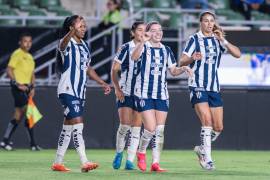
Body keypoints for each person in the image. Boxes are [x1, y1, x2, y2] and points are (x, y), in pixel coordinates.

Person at [178, 11, 241, 170]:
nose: (209, 24)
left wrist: (223, 40)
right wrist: (193, 58)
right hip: (197, 84)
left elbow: (238, 54)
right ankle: (208, 159)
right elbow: (181, 61)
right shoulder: (194, 39)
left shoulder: (217, 40)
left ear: (214, 23)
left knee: (218, 127)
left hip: (214, 86)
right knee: (207, 121)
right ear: (201, 23)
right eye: (205, 21)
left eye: (211, 21)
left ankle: (201, 149)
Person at [51, 15, 111, 172]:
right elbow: (62, 46)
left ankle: (57, 162)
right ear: (72, 28)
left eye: (85, 26)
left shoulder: (85, 45)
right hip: (67, 89)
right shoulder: (67, 42)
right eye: (81, 26)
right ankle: (85, 162)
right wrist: (71, 32)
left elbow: (88, 68)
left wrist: (101, 82)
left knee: (68, 127)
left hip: (80, 91)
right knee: (78, 124)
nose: (84, 28)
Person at [131, 21, 193, 172]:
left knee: (159, 130)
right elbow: (134, 57)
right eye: (153, 30)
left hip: (162, 94)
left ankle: (156, 163)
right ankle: (141, 152)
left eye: (160, 30)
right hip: (144, 93)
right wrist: (142, 42)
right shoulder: (143, 46)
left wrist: (183, 68)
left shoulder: (166, 50)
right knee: (150, 128)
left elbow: (172, 71)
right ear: (148, 33)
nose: (158, 33)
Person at [111, 21, 145, 170]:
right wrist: (117, 89)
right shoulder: (126, 47)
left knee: (137, 128)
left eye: (145, 30)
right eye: (139, 30)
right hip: (125, 90)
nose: (142, 32)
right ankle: (119, 153)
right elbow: (114, 69)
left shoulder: (149, 48)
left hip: (141, 93)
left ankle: (130, 160)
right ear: (133, 33)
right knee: (125, 125)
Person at [0, 33, 41, 151]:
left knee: (18, 115)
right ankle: (33, 144)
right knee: (29, 112)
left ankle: (5, 141)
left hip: (27, 88)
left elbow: (32, 74)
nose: (27, 43)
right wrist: (17, 84)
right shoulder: (17, 54)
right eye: (25, 41)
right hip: (18, 87)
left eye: (29, 41)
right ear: (20, 42)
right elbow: (9, 69)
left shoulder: (30, 57)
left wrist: (33, 87)